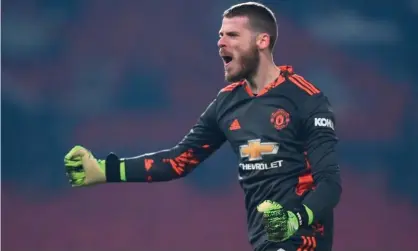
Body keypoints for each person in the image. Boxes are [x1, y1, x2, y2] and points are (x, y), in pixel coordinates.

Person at [64, 2, 342, 251]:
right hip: (264, 242)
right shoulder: (226, 103)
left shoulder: (305, 98)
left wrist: (295, 219)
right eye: (220, 35)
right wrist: (103, 170)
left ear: (262, 41)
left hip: (304, 240)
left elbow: (330, 183)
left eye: (232, 35)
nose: (221, 42)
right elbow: (177, 161)